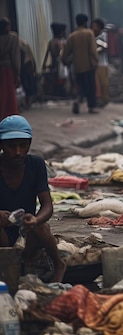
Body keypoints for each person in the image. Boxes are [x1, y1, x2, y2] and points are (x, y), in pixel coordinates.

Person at [0, 115, 66, 283]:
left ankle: (58, 264)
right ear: (1, 145)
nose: (18, 152)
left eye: (23, 145)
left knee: (42, 227)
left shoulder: (36, 165)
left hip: (27, 232)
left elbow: (47, 205)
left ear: (29, 144)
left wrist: (36, 220)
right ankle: (11, 268)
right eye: (11, 146)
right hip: (3, 233)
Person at [62, 13, 99, 114]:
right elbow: (92, 50)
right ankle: (91, 107)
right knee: (90, 86)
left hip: (77, 66)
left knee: (80, 86)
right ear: (85, 22)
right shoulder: (89, 33)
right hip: (88, 65)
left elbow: (66, 51)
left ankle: (77, 100)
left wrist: (64, 60)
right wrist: (95, 61)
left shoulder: (72, 35)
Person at [0, 17, 20, 120]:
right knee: (9, 94)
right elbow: (15, 57)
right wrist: (17, 73)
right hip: (7, 69)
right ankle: (11, 115)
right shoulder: (13, 38)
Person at [42, 22, 69, 97]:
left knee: (55, 80)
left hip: (53, 63)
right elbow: (61, 54)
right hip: (60, 64)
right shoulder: (61, 42)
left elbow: (47, 54)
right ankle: (62, 93)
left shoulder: (51, 42)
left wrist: (44, 64)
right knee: (61, 79)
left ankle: (57, 93)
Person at [91, 18, 110, 107]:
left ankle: (104, 100)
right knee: (97, 84)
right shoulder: (91, 35)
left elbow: (105, 47)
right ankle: (98, 100)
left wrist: (95, 50)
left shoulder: (102, 35)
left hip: (102, 63)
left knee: (103, 83)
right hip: (95, 63)